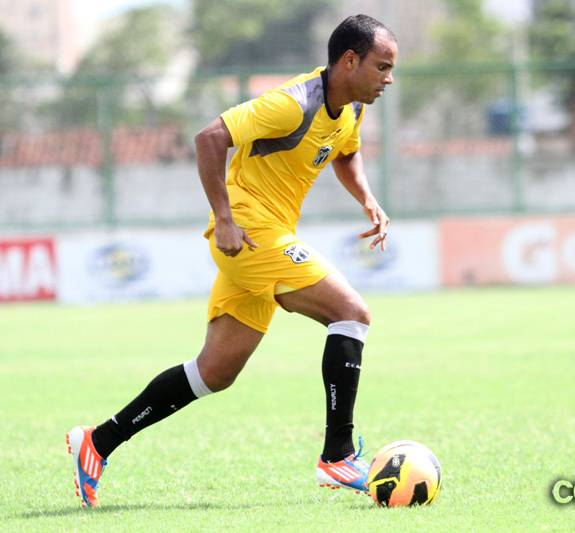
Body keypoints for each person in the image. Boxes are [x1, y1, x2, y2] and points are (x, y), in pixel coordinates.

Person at [66, 14, 397, 508]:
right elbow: (209, 137)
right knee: (352, 313)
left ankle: (98, 442)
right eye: (382, 66)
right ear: (349, 60)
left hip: (266, 239)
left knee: (214, 372)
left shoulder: (350, 107)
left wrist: (367, 199)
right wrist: (223, 216)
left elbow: (345, 151)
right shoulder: (292, 103)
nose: (388, 78)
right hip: (248, 230)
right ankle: (338, 455)